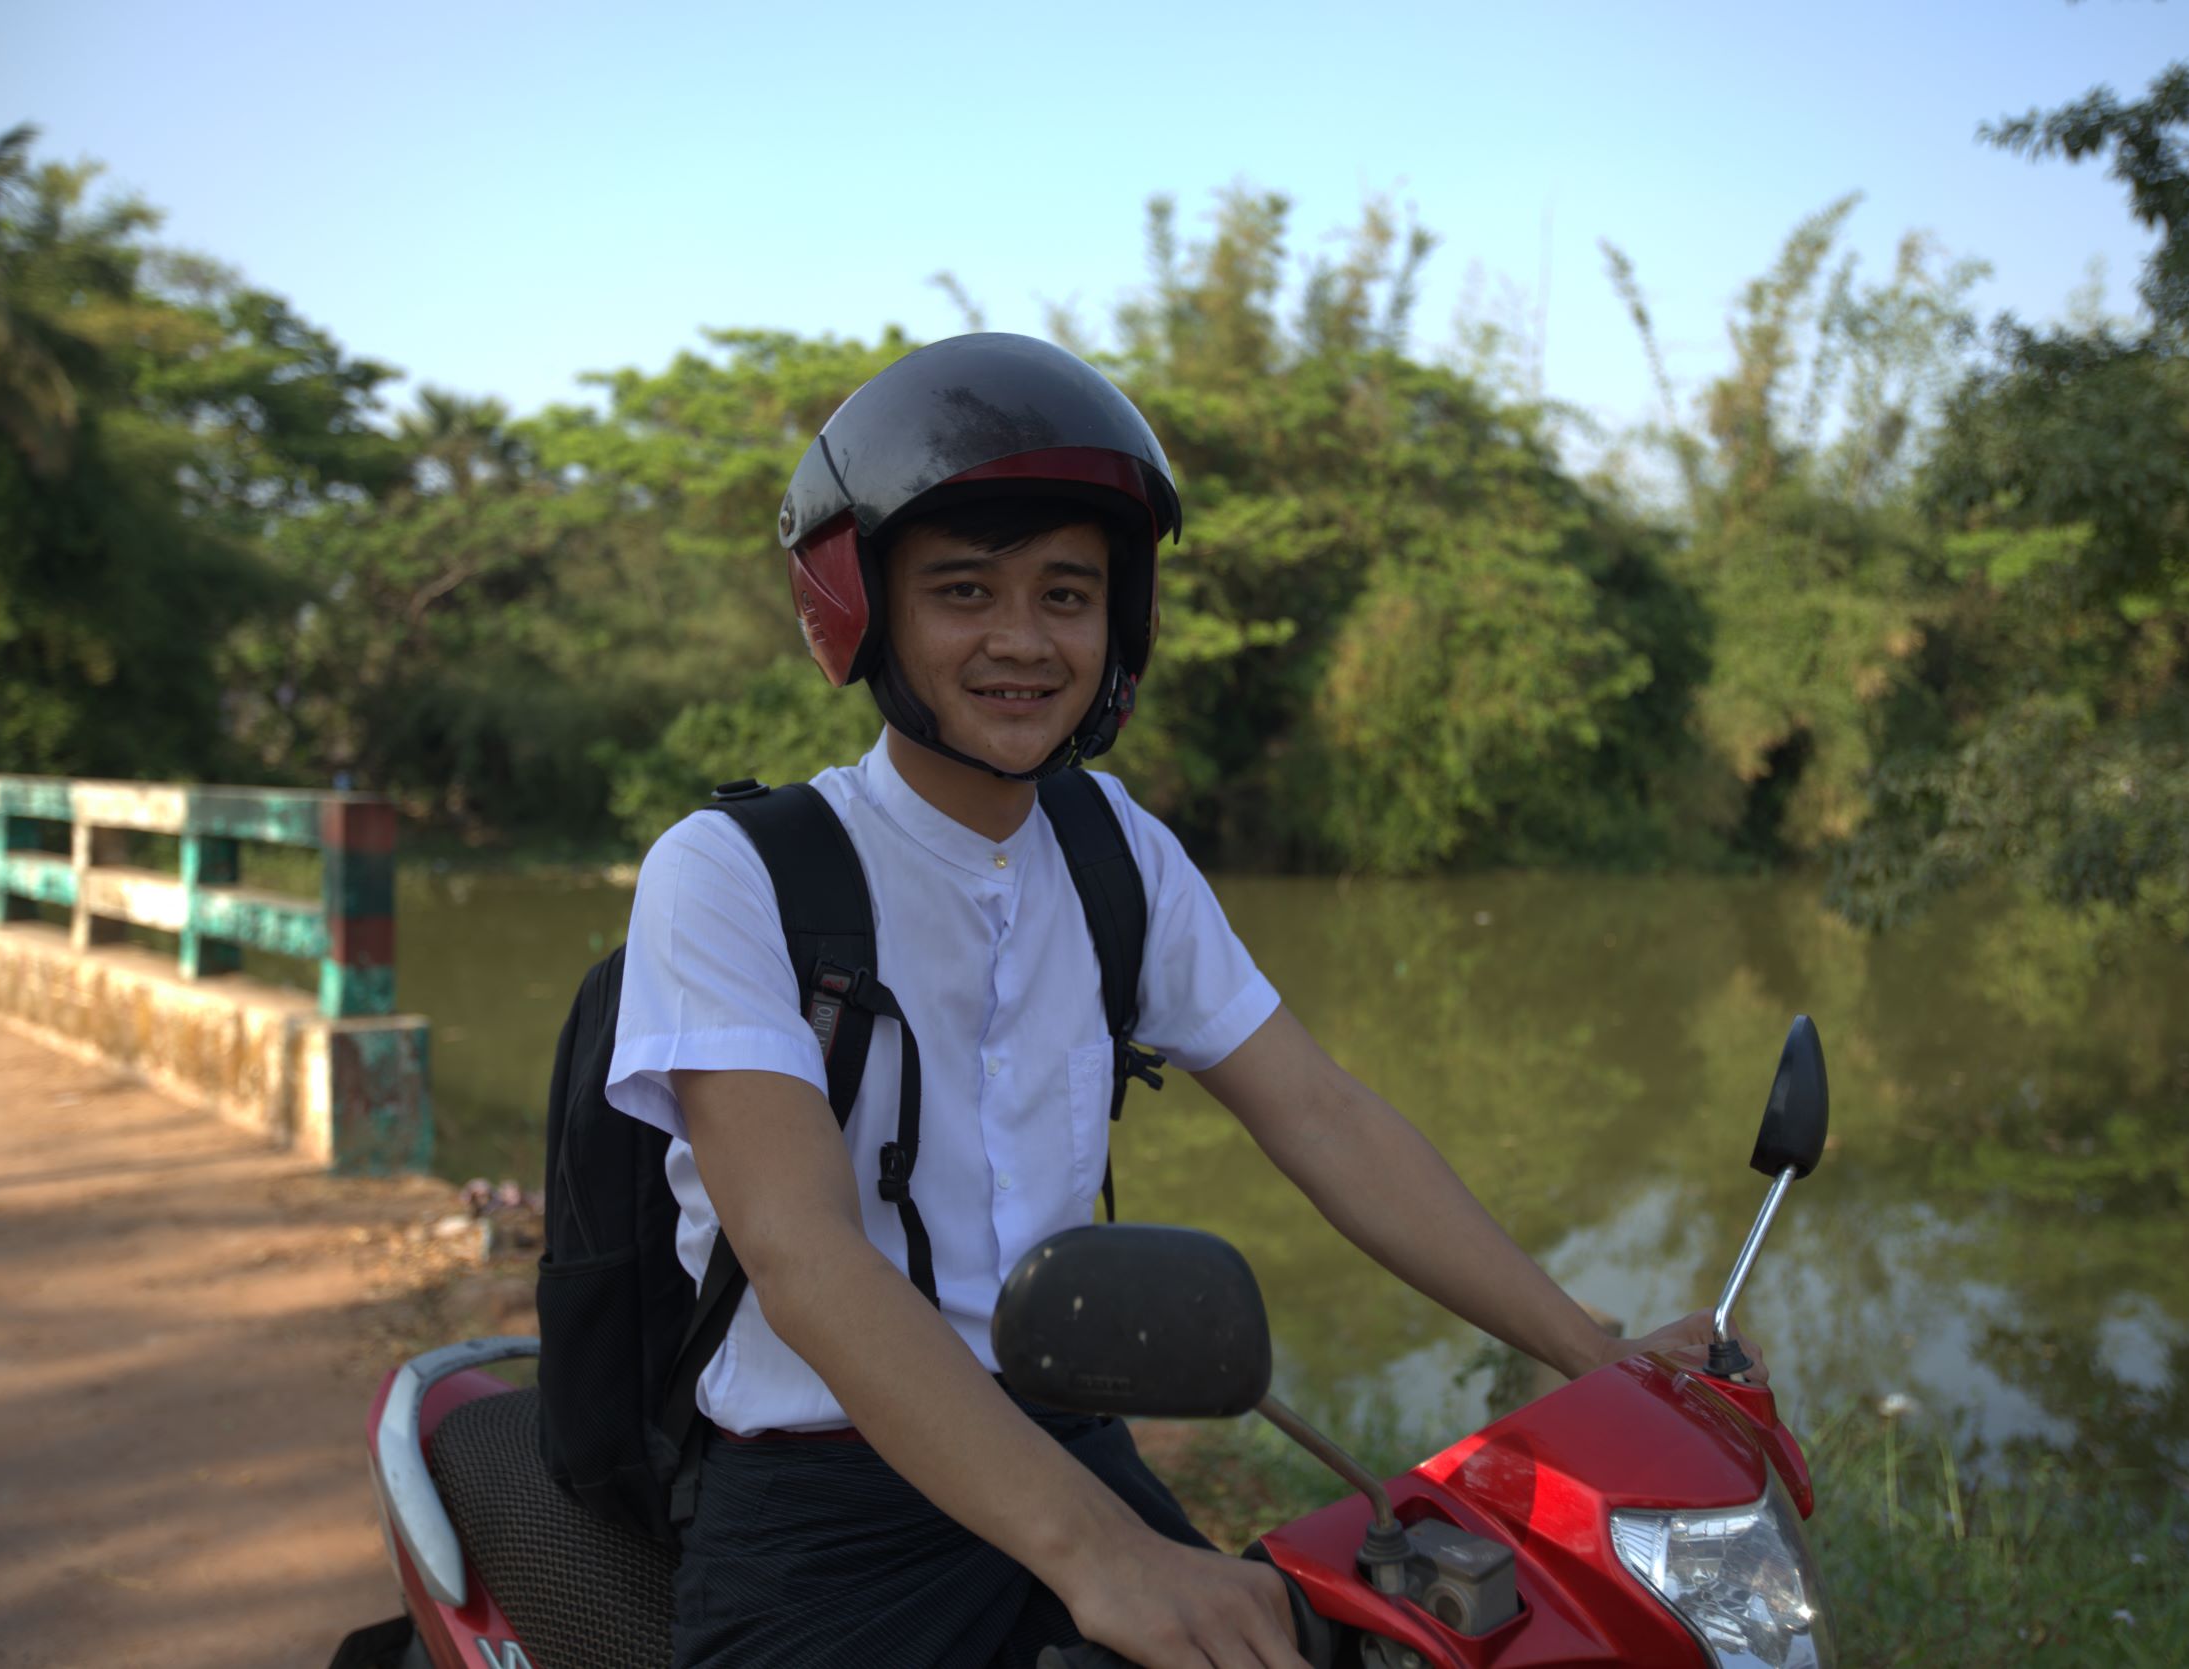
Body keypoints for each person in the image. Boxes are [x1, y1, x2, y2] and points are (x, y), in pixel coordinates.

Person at [606, 333, 1725, 1669]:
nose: (1022, 639)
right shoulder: (731, 873)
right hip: (825, 1512)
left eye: (1067, 595)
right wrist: (1105, 1556)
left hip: (1065, 1447)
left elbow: (1320, 1111)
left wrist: (1592, 1351)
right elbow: (803, 1252)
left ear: (1119, 622)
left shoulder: (1112, 849)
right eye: (964, 590)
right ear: (866, 610)